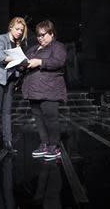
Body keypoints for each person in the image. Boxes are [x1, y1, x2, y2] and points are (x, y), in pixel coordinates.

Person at [21, 19, 67, 160]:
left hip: (50, 90)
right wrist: (18, 63)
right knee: (39, 119)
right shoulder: (33, 49)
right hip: (33, 91)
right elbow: (24, 65)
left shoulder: (57, 47)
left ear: (51, 33)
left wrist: (40, 62)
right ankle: (44, 144)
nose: (40, 38)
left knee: (51, 119)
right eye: (38, 35)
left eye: (43, 35)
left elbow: (59, 62)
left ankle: (54, 146)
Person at [0, 16, 28, 153]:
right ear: (10, 27)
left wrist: (21, 67)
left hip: (10, 79)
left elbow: (17, 65)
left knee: (7, 112)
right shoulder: (1, 39)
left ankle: (8, 142)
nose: (19, 32)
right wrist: (19, 60)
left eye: (22, 29)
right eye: (17, 29)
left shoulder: (19, 43)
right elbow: (1, 58)